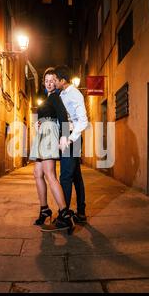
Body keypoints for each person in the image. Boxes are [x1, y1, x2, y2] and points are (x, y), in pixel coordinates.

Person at [29, 68, 73, 231]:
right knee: (37, 174)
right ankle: (44, 209)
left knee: (50, 174)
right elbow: (44, 116)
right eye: (46, 80)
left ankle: (65, 214)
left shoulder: (55, 96)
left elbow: (62, 116)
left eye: (52, 80)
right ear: (44, 82)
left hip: (50, 134)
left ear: (56, 82)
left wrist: (64, 136)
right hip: (43, 132)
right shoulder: (47, 97)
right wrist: (37, 122)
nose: (49, 83)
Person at [53, 65, 89, 224]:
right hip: (67, 134)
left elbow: (83, 121)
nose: (53, 83)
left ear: (62, 80)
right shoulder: (62, 93)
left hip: (71, 136)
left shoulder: (74, 93)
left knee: (65, 177)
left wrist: (70, 138)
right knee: (75, 176)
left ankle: (64, 215)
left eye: (55, 80)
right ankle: (80, 213)